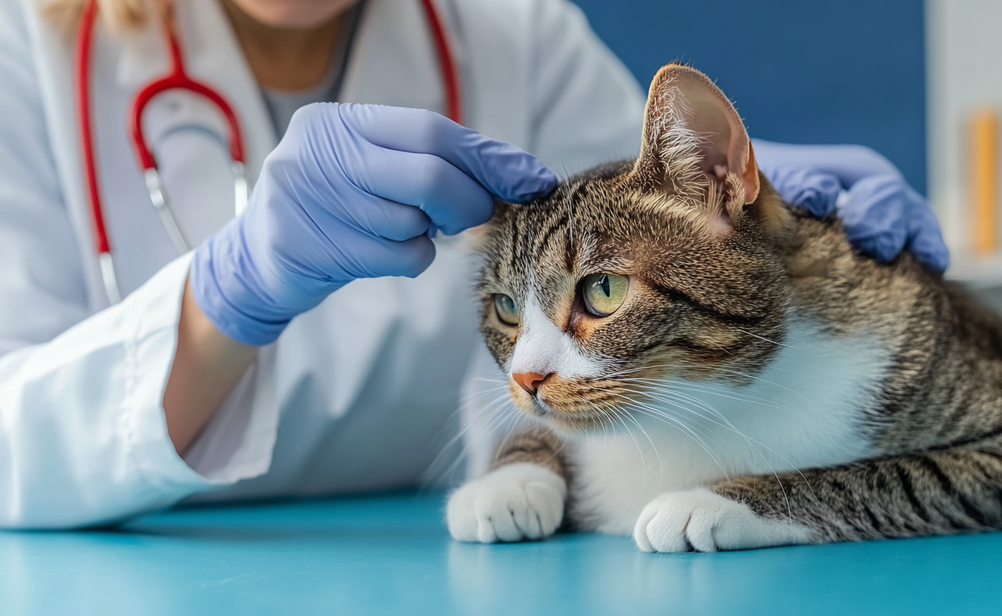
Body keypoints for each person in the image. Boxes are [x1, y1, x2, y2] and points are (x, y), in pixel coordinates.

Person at [0, 0, 948, 528]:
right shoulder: (23, 53)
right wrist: (224, 298)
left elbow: (651, 224)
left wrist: (754, 212)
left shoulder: (517, 32)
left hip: (469, 542)